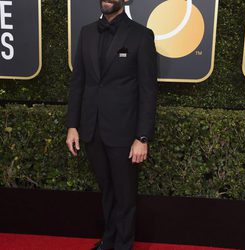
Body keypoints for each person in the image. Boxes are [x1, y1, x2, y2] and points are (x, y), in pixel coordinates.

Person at [65, 0, 158, 249]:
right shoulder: (86, 32)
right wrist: (72, 125)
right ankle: (109, 240)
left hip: (125, 133)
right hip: (91, 129)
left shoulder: (141, 35)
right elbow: (78, 83)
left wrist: (142, 137)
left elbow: (148, 91)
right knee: (107, 190)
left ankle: (123, 245)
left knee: (125, 195)